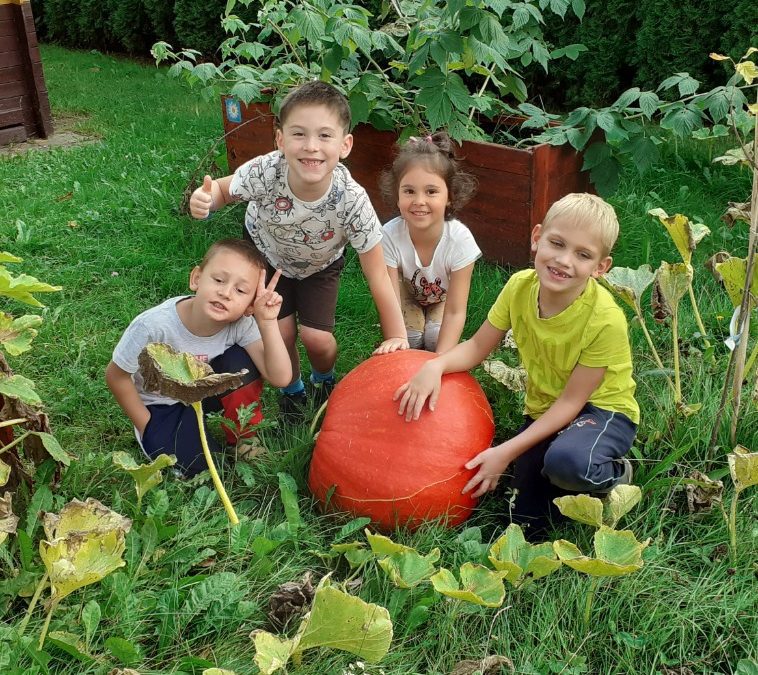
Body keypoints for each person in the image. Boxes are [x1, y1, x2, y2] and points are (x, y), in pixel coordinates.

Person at [394, 193, 639, 538]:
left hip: (601, 410)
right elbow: (478, 346)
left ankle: (616, 473)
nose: (564, 260)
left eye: (583, 255)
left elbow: (572, 402)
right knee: (524, 523)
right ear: (537, 237)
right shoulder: (519, 287)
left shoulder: (605, 320)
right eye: (557, 243)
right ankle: (561, 472)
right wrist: (436, 366)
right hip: (545, 407)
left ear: (600, 268)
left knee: (566, 464)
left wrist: (505, 451)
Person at [188, 80, 408, 420]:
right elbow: (223, 190)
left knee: (318, 339)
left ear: (345, 144)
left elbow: (377, 272)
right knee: (282, 331)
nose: (311, 147)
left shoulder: (353, 201)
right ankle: (292, 392)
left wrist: (396, 335)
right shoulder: (266, 169)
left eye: (324, 135)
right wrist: (207, 200)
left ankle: (324, 380)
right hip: (266, 256)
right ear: (280, 140)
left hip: (320, 265)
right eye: (298, 134)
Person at [106, 238, 292, 477]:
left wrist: (266, 321)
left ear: (249, 307)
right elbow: (116, 376)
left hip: (203, 392)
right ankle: (171, 435)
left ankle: (243, 437)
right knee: (206, 471)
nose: (225, 293)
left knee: (241, 361)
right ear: (196, 279)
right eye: (218, 280)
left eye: (240, 290)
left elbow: (281, 377)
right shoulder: (153, 326)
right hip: (162, 405)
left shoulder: (242, 324)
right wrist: (146, 424)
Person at [378, 132, 481, 354]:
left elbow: (455, 311)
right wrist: (397, 346)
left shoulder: (460, 240)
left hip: (443, 300)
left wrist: (442, 361)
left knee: (436, 340)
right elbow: (390, 299)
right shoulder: (388, 235)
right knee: (410, 340)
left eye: (431, 191)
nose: (419, 201)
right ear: (397, 194)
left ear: (449, 196)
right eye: (409, 191)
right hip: (407, 296)